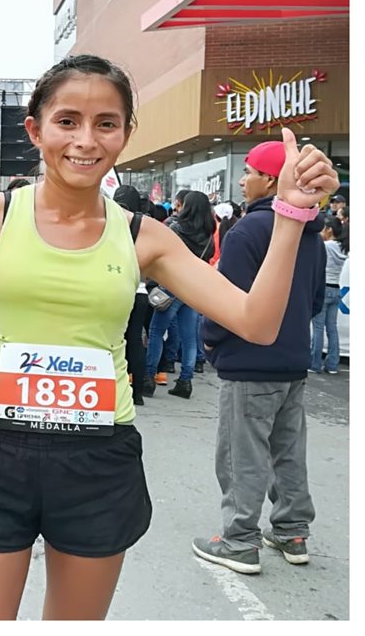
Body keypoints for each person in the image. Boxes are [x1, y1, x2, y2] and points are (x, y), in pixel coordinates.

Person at [0, 53, 338, 620]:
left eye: (106, 123)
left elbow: (255, 322)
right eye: (67, 121)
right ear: (35, 130)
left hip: (97, 459)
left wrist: (292, 215)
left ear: (126, 134)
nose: (85, 140)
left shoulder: (145, 237)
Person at [194, 140, 327, 574]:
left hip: (249, 359)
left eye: (249, 171)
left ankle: (238, 539)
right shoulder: (312, 235)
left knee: (241, 453)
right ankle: (292, 530)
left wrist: (209, 339)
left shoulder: (248, 230)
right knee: (288, 449)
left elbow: (225, 298)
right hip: (292, 359)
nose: (242, 178)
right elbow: (311, 301)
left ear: (270, 179)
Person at [144, 190, 215, 399]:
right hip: (193, 288)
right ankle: (186, 381)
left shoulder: (175, 228)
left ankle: (149, 377)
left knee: (156, 331)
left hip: (171, 284)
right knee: (189, 336)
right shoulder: (209, 235)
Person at [113, 185, 149, 406]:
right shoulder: (145, 227)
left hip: (115, 290)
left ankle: (116, 387)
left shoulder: (113, 223)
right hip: (141, 291)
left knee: (112, 341)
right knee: (136, 341)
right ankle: (138, 393)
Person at [310, 215, 348, 375]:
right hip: (337, 290)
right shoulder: (343, 248)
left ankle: (314, 364)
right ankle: (332, 365)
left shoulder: (326, 246)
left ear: (329, 229)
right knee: (332, 328)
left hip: (323, 288)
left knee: (318, 328)